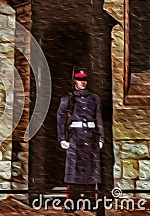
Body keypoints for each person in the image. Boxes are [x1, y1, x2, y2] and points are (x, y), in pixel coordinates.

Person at [56, 67, 104, 212]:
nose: (82, 83)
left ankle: (89, 201)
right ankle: (72, 202)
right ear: (74, 81)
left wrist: (101, 137)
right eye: (79, 80)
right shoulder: (68, 99)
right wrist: (62, 138)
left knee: (91, 173)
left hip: (91, 137)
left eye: (84, 80)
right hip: (75, 138)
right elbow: (61, 120)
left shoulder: (94, 99)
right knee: (73, 173)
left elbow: (99, 119)